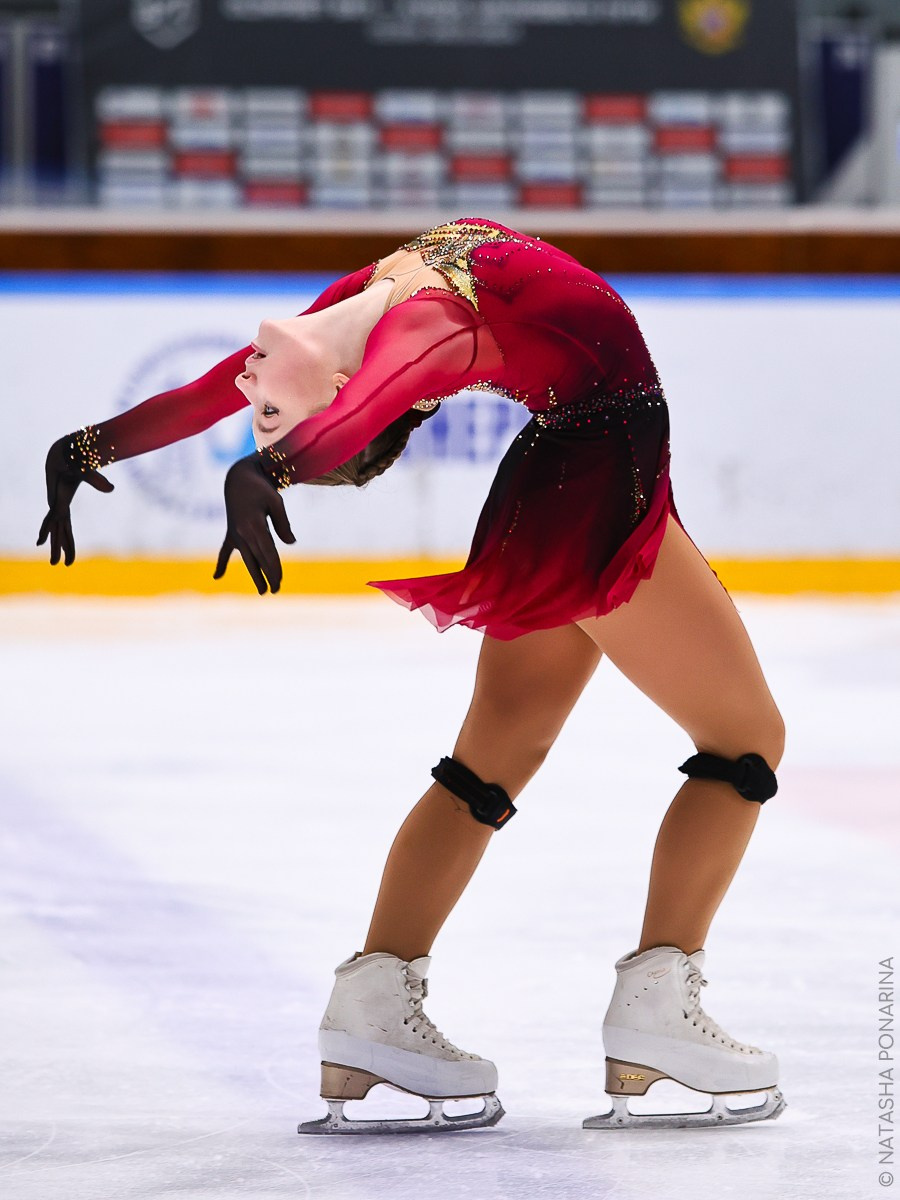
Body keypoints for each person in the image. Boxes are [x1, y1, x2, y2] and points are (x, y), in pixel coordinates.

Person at [38, 217, 786, 1134]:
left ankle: (372, 1013)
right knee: (748, 742)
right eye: (265, 411)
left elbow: (211, 390)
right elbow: (354, 404)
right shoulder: (423, 331)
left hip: (564, 478)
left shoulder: (352, 310)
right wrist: (271, 466)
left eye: (264, 404)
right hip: (595, 484)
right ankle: (657, 1016)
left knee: (490, 764)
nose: (251, 386)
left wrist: (89, 449)